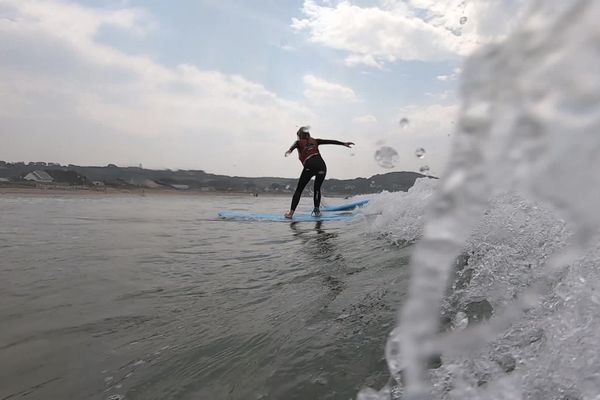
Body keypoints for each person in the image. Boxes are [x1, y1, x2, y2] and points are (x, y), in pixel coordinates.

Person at [284, 126, 354, 219]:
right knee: (317, 189)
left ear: (300, 135)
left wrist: (289, 150)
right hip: (322, 166)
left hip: (310, 166)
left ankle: (290, 214)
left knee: (299, 189)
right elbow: (330, 141)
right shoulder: (316, 141)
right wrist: (343, 143)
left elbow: (293, 147)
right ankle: (317, 212)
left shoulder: (298, 142)